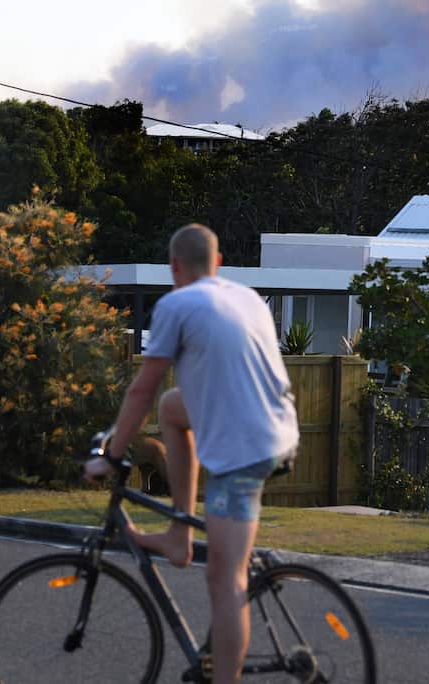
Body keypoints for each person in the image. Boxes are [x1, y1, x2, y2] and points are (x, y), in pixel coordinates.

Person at [84, 223, 299, 684]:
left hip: (245, 454)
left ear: (174, 267)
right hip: (279, 429)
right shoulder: (246, 296)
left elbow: (141, 388)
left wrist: (111, 455)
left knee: (225, 582)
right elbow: (166, 397)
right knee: (173, 408)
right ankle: (181, 533)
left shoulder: (176, 304)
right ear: (218, 262)